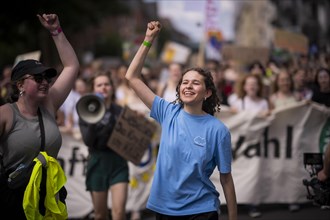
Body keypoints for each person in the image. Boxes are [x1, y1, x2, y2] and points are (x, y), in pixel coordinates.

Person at [125, 21, 237, 220]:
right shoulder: (167, 112)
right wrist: (148, 40)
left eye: (195, 83)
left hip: (202, 209)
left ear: (208, 93)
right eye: (185, 82)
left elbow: (226, 178)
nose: (188, 86)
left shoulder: (218, 130)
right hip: (163, 208)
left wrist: (233, 218)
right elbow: (132, 77)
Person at [0, 13, 79, 219]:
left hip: (48, 200)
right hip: (14, 202)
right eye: (37, 78)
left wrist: (56, 31)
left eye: (46, 77)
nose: (44, 81)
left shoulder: (49, 103)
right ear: (20, 85)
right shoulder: (6, 114)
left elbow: (71, 66)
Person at [78, 71, 129, 220]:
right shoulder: (86, 110)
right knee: (100, 215)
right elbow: (88, 140)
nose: (103, 87)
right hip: (97, 163)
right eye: (99, 85)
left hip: (118, 163)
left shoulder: (120, 111)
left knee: (119, 213)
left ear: (112, 88)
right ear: (94, 89)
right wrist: (94, 118)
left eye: (106, 84)